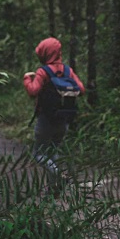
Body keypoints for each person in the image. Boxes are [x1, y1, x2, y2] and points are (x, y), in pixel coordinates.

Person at [23, 37, 85, 193]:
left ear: (44, 52)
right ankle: (54, 188)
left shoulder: (43, 72)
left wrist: (27, 79)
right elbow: (81, 89)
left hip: (45, 120)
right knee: (53, 151)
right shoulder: (67, 71)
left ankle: (59, 176)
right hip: (64, 119)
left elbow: (33, 91)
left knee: (38, 154)